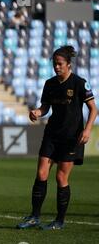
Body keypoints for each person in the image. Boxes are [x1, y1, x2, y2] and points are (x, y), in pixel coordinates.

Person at [17, 46, 97, 230]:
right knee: (41, 174)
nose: (57, 67)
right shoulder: (50, 84)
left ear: (69, 65)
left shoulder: (79, 83)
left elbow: (94, 109)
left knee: (61, 178)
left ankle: (59, 221)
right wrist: (37, 112)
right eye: (54, 64)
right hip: (52, 135)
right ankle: (34, 217)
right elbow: (45, 107)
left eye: (60, 64)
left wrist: (87, 130)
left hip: (71, 137)